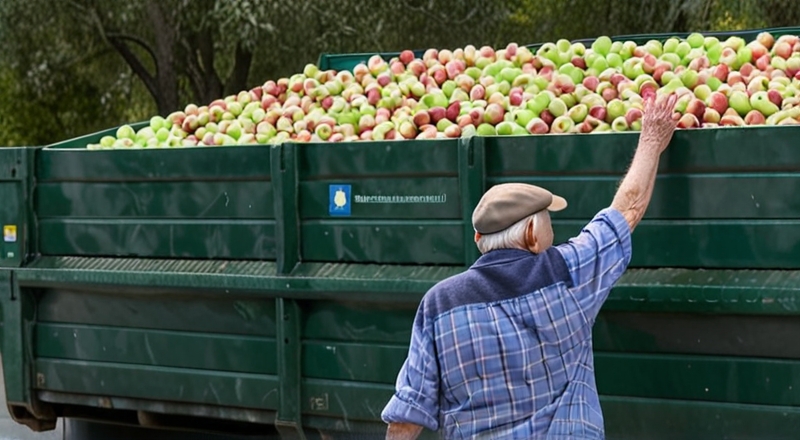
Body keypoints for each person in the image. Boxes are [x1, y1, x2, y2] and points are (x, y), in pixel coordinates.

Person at [380, 92, 679, 440]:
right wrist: (652, 139)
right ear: (534, 234)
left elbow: (407, 417)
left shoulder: (439, 304)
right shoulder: (569, 272)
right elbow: (627, 208)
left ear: (479, 240)